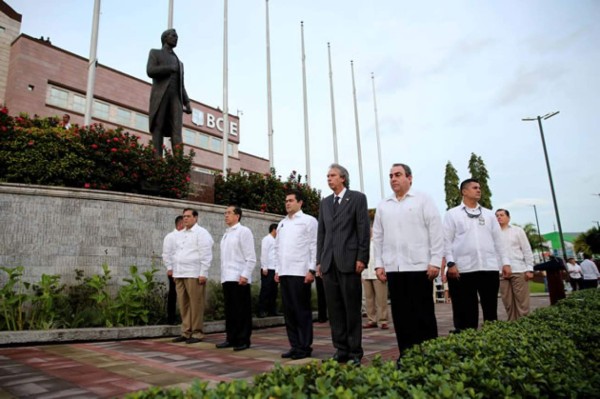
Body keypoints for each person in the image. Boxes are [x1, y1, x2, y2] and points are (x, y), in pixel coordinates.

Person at [373, 163, 443, 368]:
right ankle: (406, 356)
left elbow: (436, 230)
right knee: (401, 317)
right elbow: (378, 237)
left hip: (420, 267)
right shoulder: (384, 205)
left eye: (398, 175)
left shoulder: (423, 199)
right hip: (395, 269)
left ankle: (430, 355)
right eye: (391, 176)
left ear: (409, 178)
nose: (393, 179)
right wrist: (379, 265)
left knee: (423, 314)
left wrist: (435, 261)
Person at [317, 163, 370, 365]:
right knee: (335, 310)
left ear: (343, 178)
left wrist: (362, 258)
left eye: (332, 175)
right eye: (327, 175)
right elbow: (321, 233)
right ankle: (340, 349)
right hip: (329, 263)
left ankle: (355, 352)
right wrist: (319, 261)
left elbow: (363, 229)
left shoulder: (357, 198)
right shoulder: (325, 203)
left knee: (351, 309)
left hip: (349, 262)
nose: (329, 178)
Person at [443, 178, 511, 331]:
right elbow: (446, 241)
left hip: (488, 268)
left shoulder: (488, 215)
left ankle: (491, 341)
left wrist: (505, 262)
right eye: (474, 188)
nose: (479, 190)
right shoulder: (452, 214)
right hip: (463, 270)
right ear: (464, 191)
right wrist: (450, 263)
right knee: (466, 312)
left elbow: (498, 240)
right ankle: (466, 343)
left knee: (490, 309)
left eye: (479, 187)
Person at [274, 190, 318, 360]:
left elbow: (314, 245)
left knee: (302, 311)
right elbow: (277, 248)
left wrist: (311, 269)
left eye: (291, 200)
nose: (287, 203)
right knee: (289, 312)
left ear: (300, 203)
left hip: (300, 272)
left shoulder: (309, 221)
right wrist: (277, 270)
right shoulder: (282, 223)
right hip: (285, 272)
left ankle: (305, 346)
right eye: (286, 200)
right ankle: (295, 345)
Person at [167, 208, 213, 344]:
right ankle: (186, 331)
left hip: (194, 273)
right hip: (180, 273)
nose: (185, 219)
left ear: (195, 218)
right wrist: (174, 271)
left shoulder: (202, 233)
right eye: (184, 216)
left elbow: (206, 254)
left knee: (196, 304)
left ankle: (197, 332)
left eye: (188, 216)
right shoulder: (181, 234)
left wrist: (203, 273)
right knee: (183, 304)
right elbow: (176, 253)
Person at [215, 205, 257, 351]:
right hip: (227, 277)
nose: (226, 215)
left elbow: (251, 257)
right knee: (230, 311)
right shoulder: (226, 234)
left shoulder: (243, 231)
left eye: (229, 213)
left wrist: (245, 274)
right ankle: (231, 338)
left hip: (240, 277)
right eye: (225, 213)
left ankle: (243, 340)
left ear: (237, 216)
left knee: (242, 311)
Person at [147, 28, 192, 157]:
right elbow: (150, 71)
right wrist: (168, 68)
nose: (176, 38)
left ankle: (178, 163)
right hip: (161, 95)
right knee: (158, 126)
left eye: (177, 36)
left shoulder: (180, 63)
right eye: (173, 36)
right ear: (165, 38)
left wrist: (187, 102)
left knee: (177, 130)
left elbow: (181, 84)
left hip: (175, 98)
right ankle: (157, 160)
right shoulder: (155, 53)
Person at [495, 209, 534, 321]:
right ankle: (512, 324)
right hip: (501, 272)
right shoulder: (494, 233)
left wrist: (530, 269)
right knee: (507, 301)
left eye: (502, 215)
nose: (499, 217)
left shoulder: (518, 231)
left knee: (522, 301)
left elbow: (526, 250)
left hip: (519, 269)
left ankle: (524, 323)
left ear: (508, 217)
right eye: (497, 215)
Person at [362, 233, 389, 330]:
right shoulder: (363, 242)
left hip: (378, 273)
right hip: (365, 272)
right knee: (368, 298)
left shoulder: (379, 242)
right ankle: (371, 320)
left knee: (381, 298)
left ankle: (383, 320)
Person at [162, 215, 184, 324]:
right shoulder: (170, 237)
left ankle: (182, 317)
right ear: (180, 225)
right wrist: (169, 268)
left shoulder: (185, 236)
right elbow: (166, 254)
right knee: (173, 294)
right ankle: (171, 318)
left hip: (184, 270)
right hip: (174, 270)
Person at [258, 223, 279, 318]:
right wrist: (264, 267)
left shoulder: (277, 241)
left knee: (274, 291)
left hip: (275, 269)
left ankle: (272, 310)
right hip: (267, 269)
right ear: (274, 229)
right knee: (265, 290)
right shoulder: (266, 239)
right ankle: (261, 310)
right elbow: (264, 253)